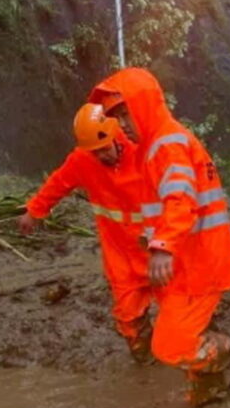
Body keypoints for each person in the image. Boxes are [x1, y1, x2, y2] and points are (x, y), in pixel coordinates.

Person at [87, 67, 230, 406]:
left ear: (143, 104)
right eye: (117, 117)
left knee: (169, 346)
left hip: (197, 263)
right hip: (187, 262)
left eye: (125, 114)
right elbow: (165, 205)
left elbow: (180, 199)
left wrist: (162, 246)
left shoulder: (166, 144)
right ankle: (208, 388)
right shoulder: (158, 145)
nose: (123, 125)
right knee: (184, 333)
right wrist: (152, 241)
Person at [19, 104, 154, 362]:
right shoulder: (82, 160)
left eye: (104, 149)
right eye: (95, 152)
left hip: (157, 247)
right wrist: (33, 211)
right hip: (120, 254)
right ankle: (145, 358)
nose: (102, 156)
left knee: (181, 309)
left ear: (115, 135)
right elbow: (57, 184)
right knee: (129, 316)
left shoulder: (143, 150)